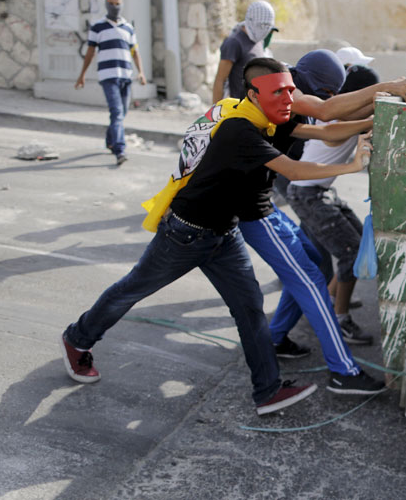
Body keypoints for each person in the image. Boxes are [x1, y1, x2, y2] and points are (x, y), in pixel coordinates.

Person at [60, 58, 365, 415]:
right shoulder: (240, 129)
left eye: (290, 91)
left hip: (225, 233)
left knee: (250, 308)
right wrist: (353, 165)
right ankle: (77, 338)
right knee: (132, 289)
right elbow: (295, 171)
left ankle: (267, 392)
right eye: (279, 92)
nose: (288, 99)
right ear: (253, 94)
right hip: (186, 234)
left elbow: (328, 131)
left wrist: (378, 119)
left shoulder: (268, 118)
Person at [281, 65, 383, 348]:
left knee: (358, 242)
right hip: (307, 194)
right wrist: (371, 118)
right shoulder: (340, 116)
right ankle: (339, 318)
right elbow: (335, 131)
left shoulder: (350, 113)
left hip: (321, 191)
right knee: (349, 254)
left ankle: (329, 302)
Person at [74, 0, 147, 166]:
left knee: (122, 112)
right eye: (111, 3)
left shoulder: (128, 27)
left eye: (117, 4)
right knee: (117, 112)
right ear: (106, 4)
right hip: (108, 76)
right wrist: (82, 75)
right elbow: (90, 52)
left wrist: (141, 72)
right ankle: (120, 150)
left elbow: (134, 52)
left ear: (121, 5)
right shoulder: (98, 27)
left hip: (126, 76)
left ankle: (110, 140)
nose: (114, 7)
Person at [211, 0, 276, 103]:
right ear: (251, 20)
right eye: (262, 26)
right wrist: (216, 112)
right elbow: (220, 79)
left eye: (267, 27)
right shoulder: (234, 42)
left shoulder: (258, 40)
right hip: (239, 107)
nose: (264, 30)